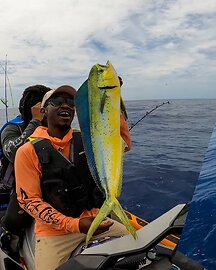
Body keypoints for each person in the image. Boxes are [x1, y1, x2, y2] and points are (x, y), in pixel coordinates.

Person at [14, 85, 130, 270]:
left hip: (97, 220)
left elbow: (122, 144)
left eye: (71, 103)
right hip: (55, 234)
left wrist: (112, 99)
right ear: (44, 111)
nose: (65, 106)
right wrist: (74, 224)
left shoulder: (87, 139)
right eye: (57, 102)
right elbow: (29, 201)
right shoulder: (27, 152)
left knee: (141, 248)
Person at [0, 85, 50, 258]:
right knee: (15, 219)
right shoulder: (12, 128)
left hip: (45, 186)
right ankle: (9, 239)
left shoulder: (50, 128)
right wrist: (35, 122)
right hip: (15, 189)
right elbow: (14, 153)